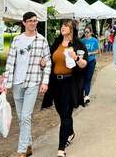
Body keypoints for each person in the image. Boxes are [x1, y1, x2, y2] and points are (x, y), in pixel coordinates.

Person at [3, 12, 51, 157]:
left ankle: (22, 149)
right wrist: (6, 82)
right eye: (30, 21)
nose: (33, 23)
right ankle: (28, 144)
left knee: (26, 116)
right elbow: (10, 62)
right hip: (17, 82)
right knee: (21, 117)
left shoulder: (42, 41)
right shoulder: (17, 40)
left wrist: (45, 82)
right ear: (23, 23)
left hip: (33, 82)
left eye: (35, 21)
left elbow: (47, 62)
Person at [49, 20, 88, 156]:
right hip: (56, 83)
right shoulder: (57, 43)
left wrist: (76, 57)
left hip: (70, 83)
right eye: (62, 25)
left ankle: (61, 148)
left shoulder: (78, 44)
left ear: (72, 29)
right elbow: (50, 59)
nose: (62, 27)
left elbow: (84, 64)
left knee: (66, 114)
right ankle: (70, 132)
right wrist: (44, 62)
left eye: (65, 25)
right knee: (61, 112)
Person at [81, 26, 99, 104]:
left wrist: (90, 53)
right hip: (83, 61)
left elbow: (98, 51)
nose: (86, 34)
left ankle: (87, 95)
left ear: (91, 32)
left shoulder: (94, 40)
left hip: (91, 61)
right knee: (83, 78)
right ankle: (81, 95)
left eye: (87, 32)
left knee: (88, 78)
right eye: (85, 32)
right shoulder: (82, 41)